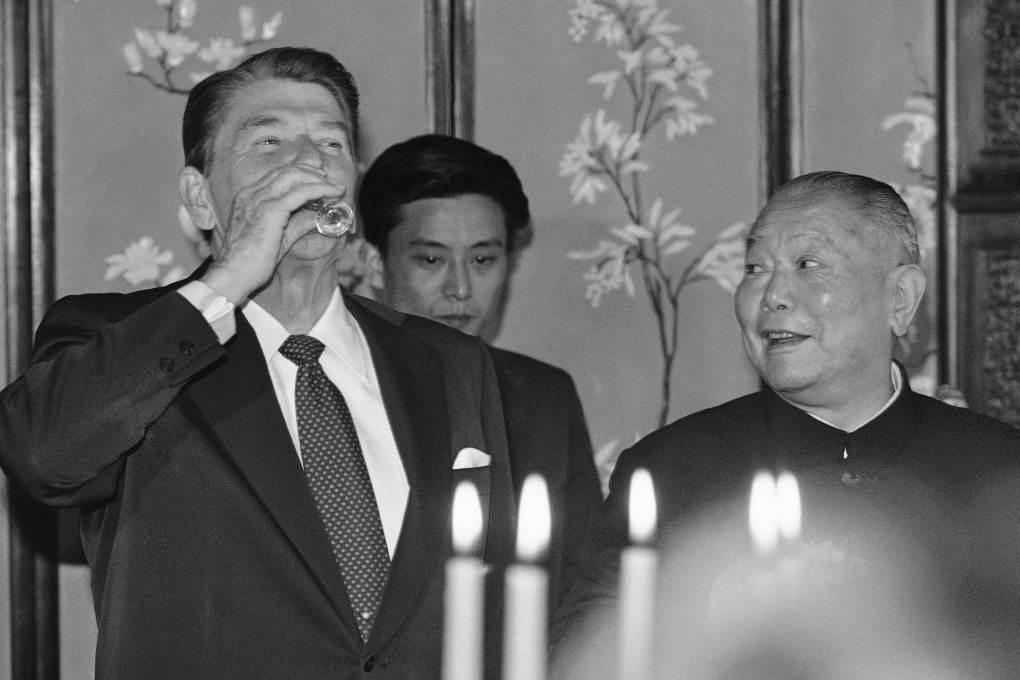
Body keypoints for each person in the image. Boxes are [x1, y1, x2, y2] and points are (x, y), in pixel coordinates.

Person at [0, 47, 519, 680]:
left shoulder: (447, 361)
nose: (308, 163)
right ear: (201, 200)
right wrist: (233, 275)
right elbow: (47, 456)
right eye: (269, 144)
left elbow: (487, 593)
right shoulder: (117, 337)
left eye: (331, 145)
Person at [550, 171, 1020, 678]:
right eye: (755, 267)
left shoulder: (998, 473)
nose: (771, 294)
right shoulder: (668, 472)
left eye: (807, 264)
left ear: (900, 299)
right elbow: (581, 656)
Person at [357, 133, 603, 613]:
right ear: (374, 263)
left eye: (483, 259)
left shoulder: (542, 395)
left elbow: (579, 585)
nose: (461, 288)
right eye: (430, 259)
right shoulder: (324, 385)